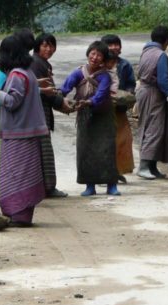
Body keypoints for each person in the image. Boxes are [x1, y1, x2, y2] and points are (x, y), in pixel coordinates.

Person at [0, 35, 48, 225]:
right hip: (27, 132)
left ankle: (18, 215)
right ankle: (21, 215)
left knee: (15, 175)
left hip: (18, 134)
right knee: (25, 174)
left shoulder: (17, 75)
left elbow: (12, 101)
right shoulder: (27, 72)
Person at [60, 41, 119, 196]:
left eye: (99, 55)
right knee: (85, 150)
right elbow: (66, 87)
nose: (95, 57)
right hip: (85, 117)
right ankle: (89, 185)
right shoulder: (78, 72)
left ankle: (111, 185)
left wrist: (89, 102)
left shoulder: (105, 76)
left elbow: (101, 94)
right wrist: (60, 99)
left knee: (107, 149)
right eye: (93, 53)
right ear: (88, 54)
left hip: (104, 116)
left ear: (103, 59)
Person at [0, 29, 36, 196]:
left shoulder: (19, 70)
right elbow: (12, 98)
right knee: (1, 150)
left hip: (10, 114)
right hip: (3, 112)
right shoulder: (13, 71)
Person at [136, 25, 168, 180]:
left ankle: (152, 167)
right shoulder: (160, 55)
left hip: (143, 92)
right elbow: (163, 80)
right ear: (167, 41)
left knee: (150, 126)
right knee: (154, 129)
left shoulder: (145, 51)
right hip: (154, 93)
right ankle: (143, 166)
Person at [30, 33, 68, 198]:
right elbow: (47, 93)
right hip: (40, 111)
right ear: (37, 46)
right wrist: (62, 103)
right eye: (45, 45)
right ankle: (48, 187)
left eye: (51, 46)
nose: (49, 49)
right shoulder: (37, 64)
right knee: (44, 150)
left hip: (37, 111)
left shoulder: (41, 63)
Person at [100, 34, 136, 184]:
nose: (114, 47)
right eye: (111, 44)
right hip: (102, 110)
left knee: (122, 140)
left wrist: (127, 95)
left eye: (117, 44)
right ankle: (102, 173)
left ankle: (117, 171)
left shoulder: (125, 65)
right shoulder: (98, 64)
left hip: (119, 108)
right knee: (104, 141)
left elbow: (130, 84)